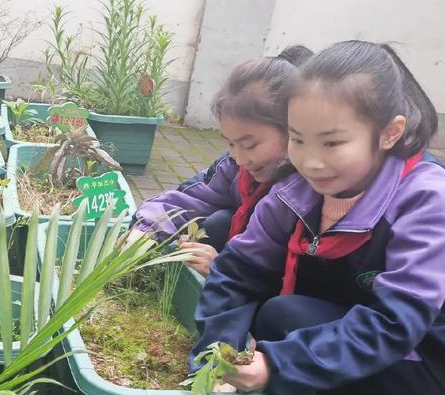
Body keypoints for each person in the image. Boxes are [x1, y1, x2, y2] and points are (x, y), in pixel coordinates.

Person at [191, 40, 445, 395]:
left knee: (285, 319)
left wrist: (278, 365)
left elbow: (396, 323)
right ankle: (312, 393)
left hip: (423, 350)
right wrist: (213, 356)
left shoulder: (429, 200)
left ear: (389, 132)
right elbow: (237, 271)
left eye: (333, 142)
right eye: (298, 141)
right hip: (353, 311)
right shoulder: (297, 189)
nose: (311, 162)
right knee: (275, 312)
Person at [128, 45, 312, 276]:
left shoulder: (308, 189)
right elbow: (189, 198)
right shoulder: (233, 168)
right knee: (218, 223)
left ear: (292, 131)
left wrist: (222, 270)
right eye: (230, 143)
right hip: (245, 267)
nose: (240, 158)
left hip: (275, 285)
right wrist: (144, 231)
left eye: (250, 145)